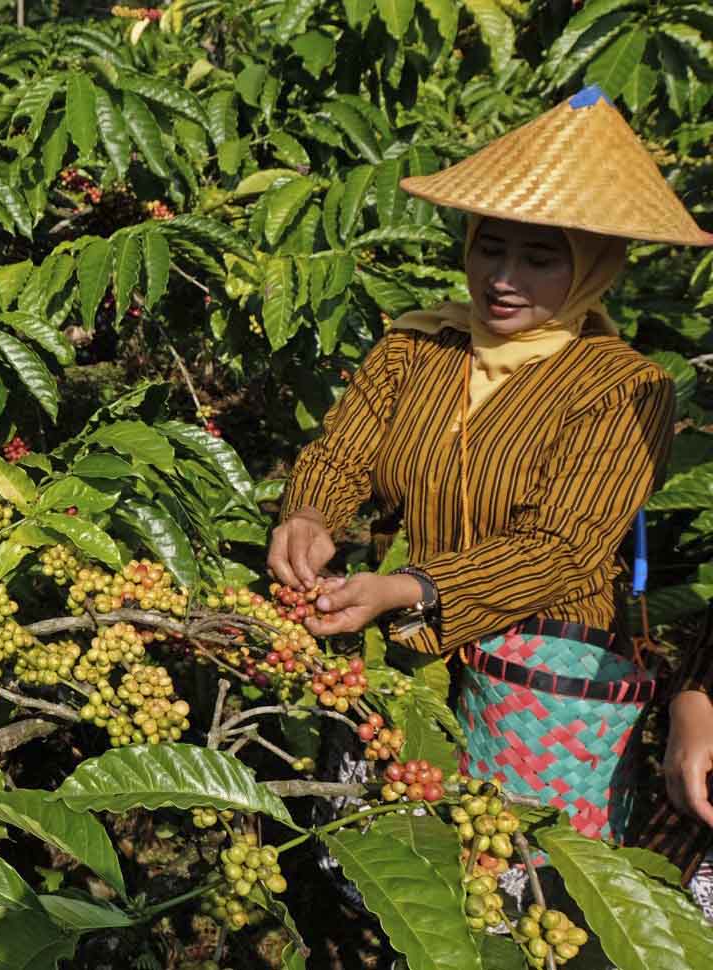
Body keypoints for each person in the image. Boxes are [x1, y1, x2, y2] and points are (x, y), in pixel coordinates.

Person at [268, 86, 713, 875]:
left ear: (593, 268)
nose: (502, 278)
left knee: (512, 894)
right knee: (391, 876)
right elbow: (344, 454)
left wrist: (408, 588)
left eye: (540, 259)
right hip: (399, 658)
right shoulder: (419, 344)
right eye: (489, 248)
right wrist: (309, 517)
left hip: (533, 680)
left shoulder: (624, 387)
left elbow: (563, 550)